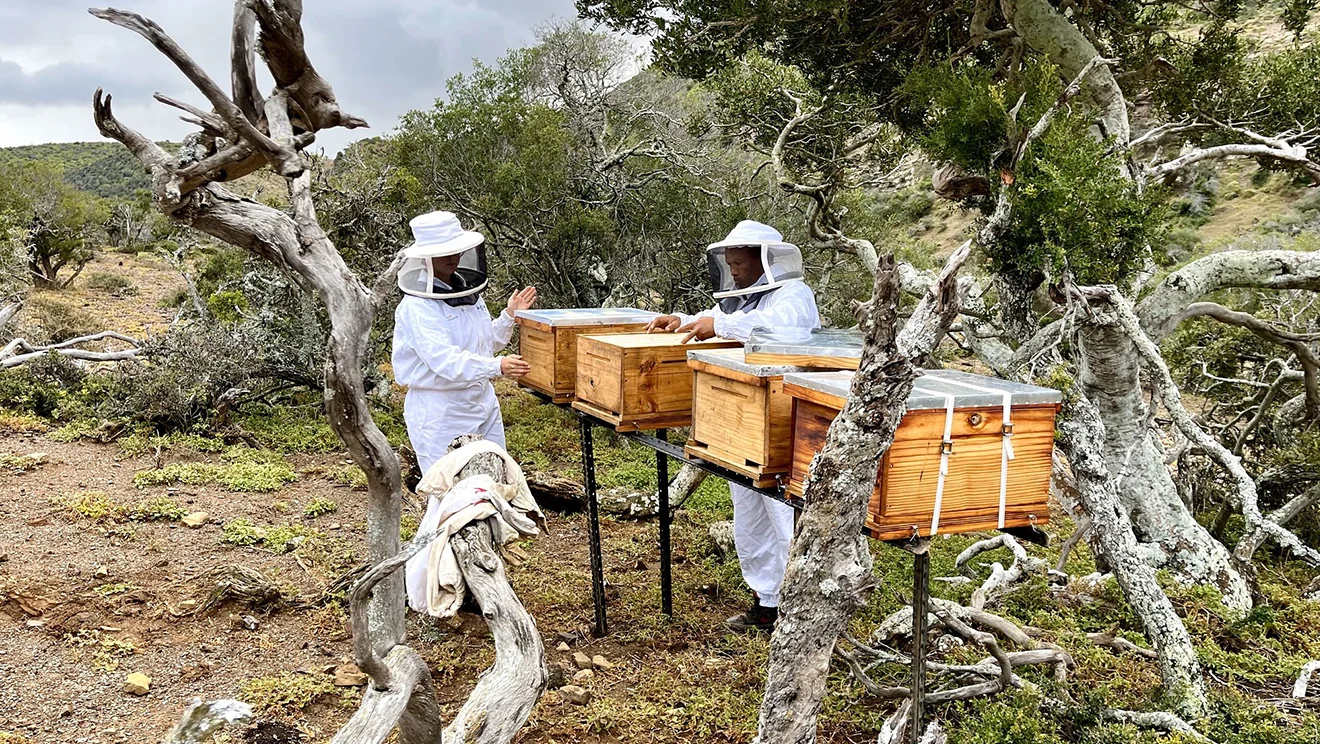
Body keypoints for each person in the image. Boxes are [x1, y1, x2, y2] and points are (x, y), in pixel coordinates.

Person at [646, 220, 820, 631]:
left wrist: (718, 326)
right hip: (741, 421)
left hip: (782, 419)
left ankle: (802, 610)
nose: (735, 272)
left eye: (740, 264)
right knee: (749, 516)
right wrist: (681, 320)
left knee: (783, 516)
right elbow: (715, 317)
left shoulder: (795, 294)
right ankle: (767, 601)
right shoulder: (742, 300)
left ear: (764, 260)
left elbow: (785, 331)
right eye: (731, 264)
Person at [392, 211, 537, 475]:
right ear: (425, 257)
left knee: (497, 485)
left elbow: (483, 344)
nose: (452, 258)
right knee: (449, 494)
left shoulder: (468, 292)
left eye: (455, 250)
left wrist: (508, 317)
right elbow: (444, 360)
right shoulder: (416, 307)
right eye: (442, 252)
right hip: (441, 412)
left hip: (483, 402)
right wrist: (498, 367)